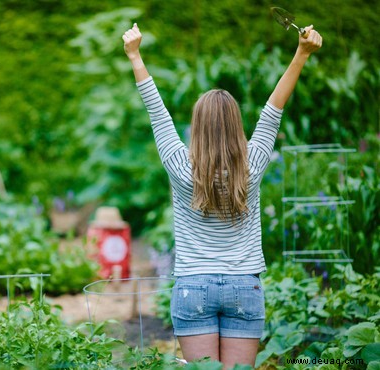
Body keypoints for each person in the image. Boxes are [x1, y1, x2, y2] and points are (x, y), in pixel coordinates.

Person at [123, 23, 322, 368]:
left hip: (192, 287)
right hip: (244, 287)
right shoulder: (254, 164)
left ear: (196, 127)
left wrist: (135, 54)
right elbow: (273, 110)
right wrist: (301, 54)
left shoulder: (179, 166)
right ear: (237, 126)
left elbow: (157, 112)